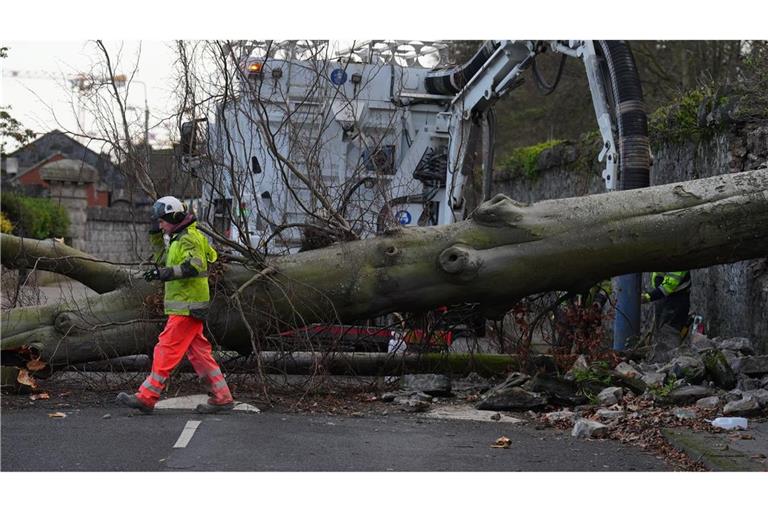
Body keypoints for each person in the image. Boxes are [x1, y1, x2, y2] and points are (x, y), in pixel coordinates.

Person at [116, 196, 234, 414]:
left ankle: (147, 396)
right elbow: (164, 260)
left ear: (174, 217)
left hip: (187, 307)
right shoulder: (178, 238)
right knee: (200, 354)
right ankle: (223, 397)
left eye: (162, 221)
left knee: (165, 349)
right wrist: (155, 237)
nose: (159, 224)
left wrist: (164, 274)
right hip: (187, 306)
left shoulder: (189, 238)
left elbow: (195, 266)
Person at [641, 270, 691, 338]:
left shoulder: (679, 265)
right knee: (661, 331)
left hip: (677, 300)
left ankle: (670, 347)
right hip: (664, 297)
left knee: (669, 331)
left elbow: (666, 288)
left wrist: (647, 297)